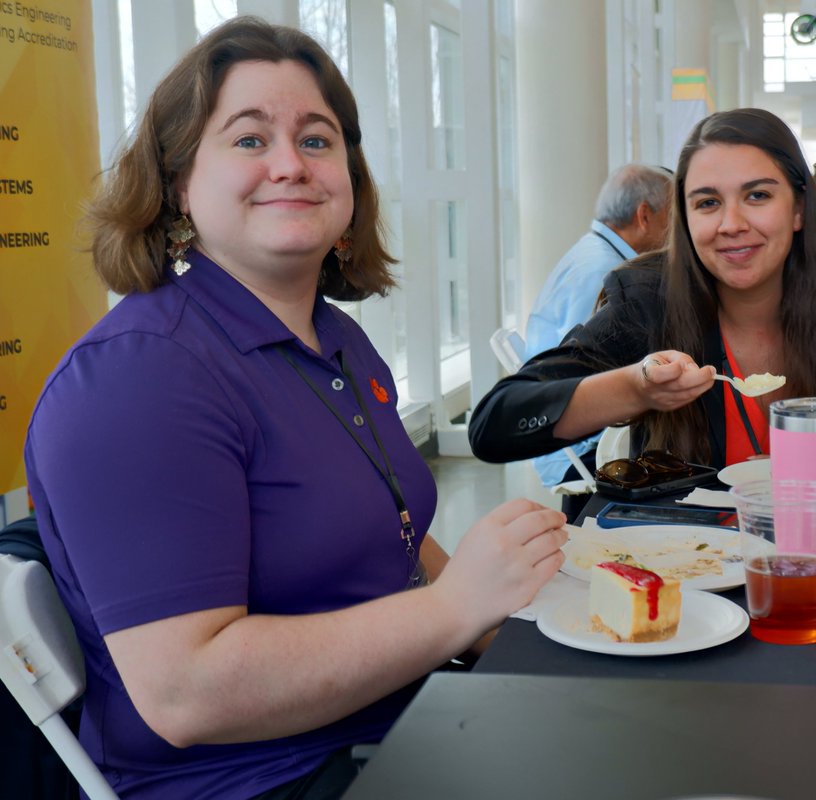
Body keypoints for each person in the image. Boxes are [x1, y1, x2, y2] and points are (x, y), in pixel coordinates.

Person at [22, 18, 567, 800]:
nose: (290, 164)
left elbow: (400, 544)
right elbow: (186, 693)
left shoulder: (335, 340)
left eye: (317, 140)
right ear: (179, 183)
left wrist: (527, 620)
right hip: (263, 781)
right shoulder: (137, 377)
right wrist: (457, 609)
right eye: (249, 140)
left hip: (402, 723)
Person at [467, 108, 816, 483]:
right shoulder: (647, 298)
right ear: (684, 216)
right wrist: (635, 388)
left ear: (799, 208)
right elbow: (495, 425)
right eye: (708, 203)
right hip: (691, 582)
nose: (731, 224)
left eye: (758, 196)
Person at [523, 163, 672, 486]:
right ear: (644, 216)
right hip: (577, 450)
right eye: (674, 217)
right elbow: (591, 375)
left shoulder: (593, 251)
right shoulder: (606, 271)